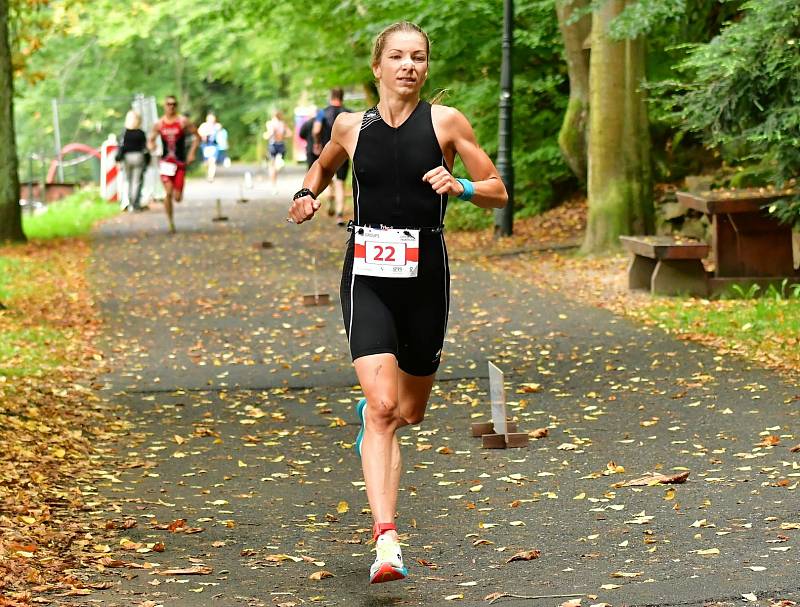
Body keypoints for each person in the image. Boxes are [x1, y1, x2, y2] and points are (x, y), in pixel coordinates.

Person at [287, 21, 507, 584]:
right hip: (367, 276)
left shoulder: (447, 124)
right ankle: (387, 542)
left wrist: (460, 188)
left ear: (426, 68)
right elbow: (323, 163)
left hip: (425, 278)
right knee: (383, 408)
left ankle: (376, 414)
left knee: (409, 411)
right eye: (398, 57)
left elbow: (498, 192)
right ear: (378, 66)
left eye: (419, 58)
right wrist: (307, 193)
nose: (409, 66)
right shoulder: (351, 125)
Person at [148, 95, 199, 234]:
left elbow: (197, 137)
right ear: (164, 106)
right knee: (168, 193)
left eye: (174, 104)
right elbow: (151, 139)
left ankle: (176, 199)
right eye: (168, 104)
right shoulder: (159, 124)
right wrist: (151, 146)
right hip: (166, 163)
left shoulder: (183, 121)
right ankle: (170, 222)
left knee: (177, 197)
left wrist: (192, 153)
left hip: (180, 163)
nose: (171, 106)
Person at [312, 88, 351, 225]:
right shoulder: (348, 114)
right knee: (340, 183)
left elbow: (316, 130)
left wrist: (317, 143)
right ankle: (340, 215)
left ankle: (330, 202)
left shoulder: (322, 112)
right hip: (344, 153)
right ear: (342, 97)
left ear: (330, 96)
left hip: (327, 151)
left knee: (328, 179)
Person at [115, 110, 150, 212]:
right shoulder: (141, 133)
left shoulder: (124, 133)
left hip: (127, 158)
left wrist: (118, 159)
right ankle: (135, 204)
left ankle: (127, 203)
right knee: (136, 181)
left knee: (127, 181)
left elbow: (121, 147)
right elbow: (145, 148)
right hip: (138, 157)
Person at [264, 110, 291, 195]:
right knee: (274, 166)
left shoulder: (273, 123)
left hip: (276, 145)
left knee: (274, 167)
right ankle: (274, 186)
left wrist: (267, 135)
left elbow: (289, 134)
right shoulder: (279, 124)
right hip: (277, 145)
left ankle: (273, 185)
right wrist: (281, 135)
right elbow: (289, 134)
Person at [198, 113, 219, 182]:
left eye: (212, 119)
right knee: (206, 163)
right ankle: (207, 173)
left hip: (213, 146)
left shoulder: (216, 126)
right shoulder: (203, 126)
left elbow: (219, 129)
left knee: (212, 161)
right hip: (205, 146)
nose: (211, 120)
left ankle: (211, 176)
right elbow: (199, 132)